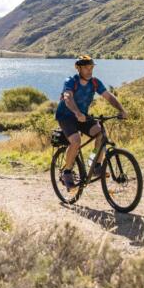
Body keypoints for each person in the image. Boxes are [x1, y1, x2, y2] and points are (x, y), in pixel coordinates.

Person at [55, 55, 127, 189]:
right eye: (86, 68)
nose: (89, 70)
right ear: (79, 69)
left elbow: (108, 96)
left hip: (83, 116)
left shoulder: (94, 82)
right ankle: (67, 171)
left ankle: (95, 164)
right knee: (76, 141)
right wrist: (76, 113)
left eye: (91, 67)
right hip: (66, 116)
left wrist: (121, 110)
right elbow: (68, 97)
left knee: (100, 134)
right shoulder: (71, 81)